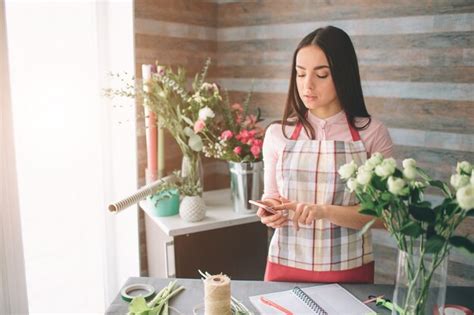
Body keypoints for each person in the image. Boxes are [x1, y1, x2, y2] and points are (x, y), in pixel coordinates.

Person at [257, 26, 393, 283]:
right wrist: (270, 212)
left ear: (343, 75)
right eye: (300, 74)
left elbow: (383, 216)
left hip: (349, 270)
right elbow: (271, 198)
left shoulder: (373, 134)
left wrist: (323, 211)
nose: (306, 85)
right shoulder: (277, 134)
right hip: (284, 266)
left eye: (321, 75)